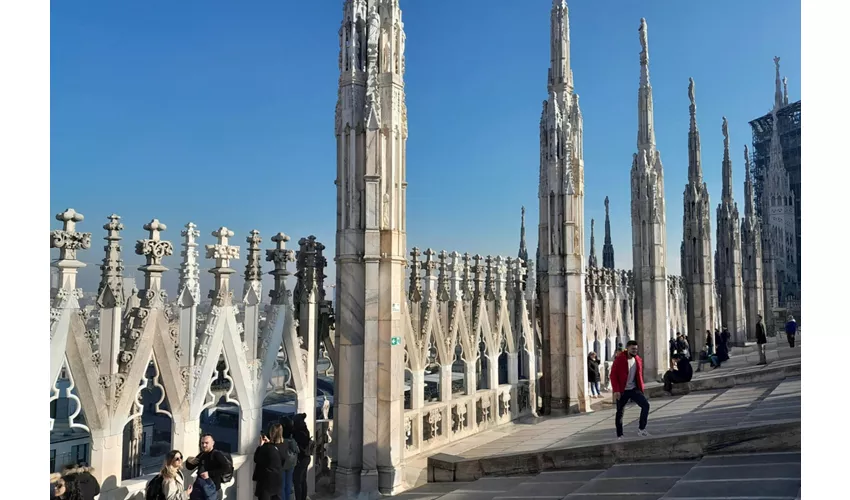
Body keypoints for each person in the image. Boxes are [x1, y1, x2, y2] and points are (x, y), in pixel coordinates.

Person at [610, 340, 651, 439]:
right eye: (633, 349)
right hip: (622, 390)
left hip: (633, 389)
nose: (635, 351)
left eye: (636, 349)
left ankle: (642, 429)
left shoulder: (637, 359)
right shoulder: (620, 360)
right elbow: (613, 375)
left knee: (645, 405)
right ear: (627, 348)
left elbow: (639, 375)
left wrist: (641, 388)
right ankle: (620, 434)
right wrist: (616, 390)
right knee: (620, 412)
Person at [186, 434, 232, 500]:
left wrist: (209, 473)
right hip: (200, 489)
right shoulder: (202, 454)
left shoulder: (217, 454)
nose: (204, 445)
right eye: (202, 443)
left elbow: (226, 468)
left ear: (213, 443)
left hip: (212, 490)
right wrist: (189, 461)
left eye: (206, 443)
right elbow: (190, 467)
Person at [254, 423, 288, 500]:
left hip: (266, 481)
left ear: (271, 433)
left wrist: (260, 446)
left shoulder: (267, 448)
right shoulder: (284, 445)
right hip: (278, 478)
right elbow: (277, 450)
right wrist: (269, 442)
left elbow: (256, 459)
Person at [292, 413, 312, 500]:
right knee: (303, 480)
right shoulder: (305, 430)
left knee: (297, 481)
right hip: (306, 457)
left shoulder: (298, 433)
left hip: (301, 458)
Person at [280, 417, 300, 500]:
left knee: (282, 486)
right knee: (288, 485)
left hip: (282, 463)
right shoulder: (292, 437)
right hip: (291, 463)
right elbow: (297, 450)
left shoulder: (281, 439)